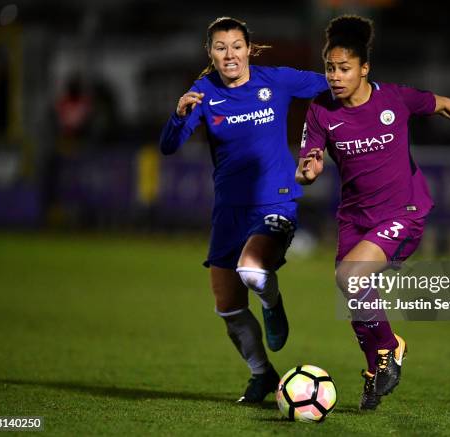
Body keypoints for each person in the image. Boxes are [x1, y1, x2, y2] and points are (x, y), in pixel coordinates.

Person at [296, 15, 450, 410]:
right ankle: (377, 366)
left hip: (404, 212)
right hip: (354, 217)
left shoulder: (393, 98)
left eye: (344, 68)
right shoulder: (320, 110)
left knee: (350, 275)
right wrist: (307, 171)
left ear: (365, 68)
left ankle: (390, 348)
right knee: (355, 294)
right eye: (329, 67)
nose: (335, 75)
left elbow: (445, 105)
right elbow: (308, 165)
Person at [159, 17, 329, 403]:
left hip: (275, 199)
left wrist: (370, 103)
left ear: (249, 48)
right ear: (210, 53)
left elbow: (332, 85)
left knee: (252, 270)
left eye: (237, 45)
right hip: (229, 212)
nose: (230, 54)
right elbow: (170, 145)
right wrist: (179, 115)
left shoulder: (277, 80)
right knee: (228, 306)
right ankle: (261, 375)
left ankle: (273, 302)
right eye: (221, 47)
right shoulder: (203, 92)